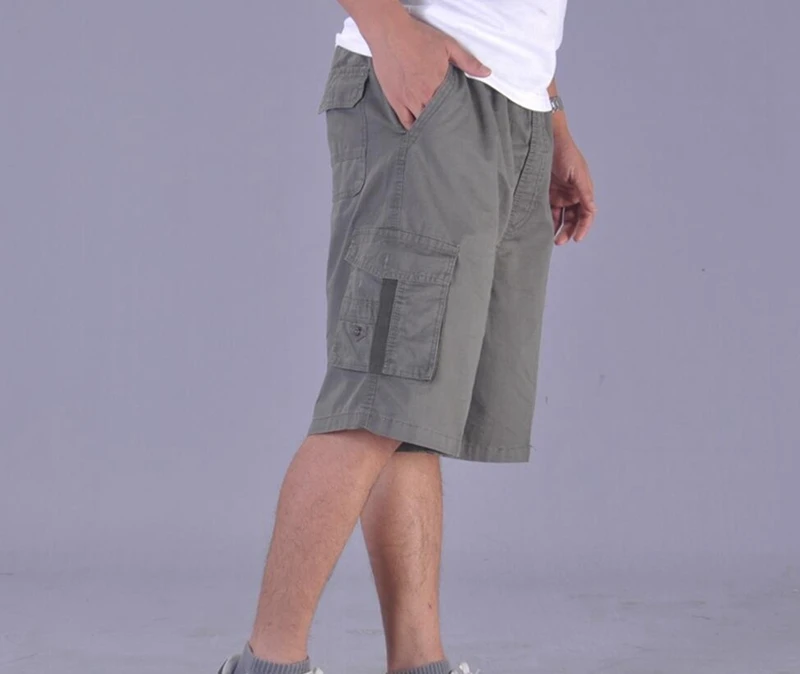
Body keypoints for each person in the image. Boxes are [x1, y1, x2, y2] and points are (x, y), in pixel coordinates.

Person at [217, 1, 596, 673]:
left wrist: (552, 113)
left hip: (515, 106)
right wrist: (390, 31)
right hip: (435, 90)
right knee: (375, 400)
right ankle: (266, 665)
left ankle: (420, 665)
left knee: (413, 414)